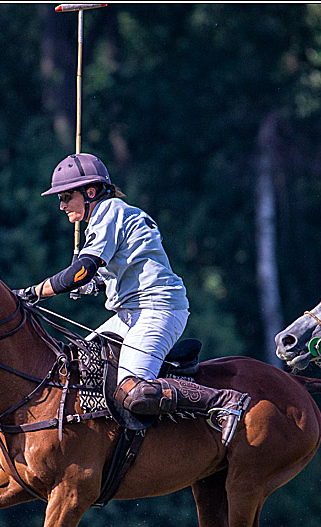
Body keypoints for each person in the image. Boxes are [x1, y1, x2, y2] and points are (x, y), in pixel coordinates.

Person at [13, 153, 250, 446]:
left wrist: (32, 292)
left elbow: (80, 272)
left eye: (65, 196)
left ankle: (225, 403)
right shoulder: (112, 216)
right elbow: (120, 269)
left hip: (158, 309)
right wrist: (94, 284)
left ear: (90, 192)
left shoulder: (109, 212)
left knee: (132, 389)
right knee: (84, 367)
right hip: (130, 312)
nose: (61, 205)